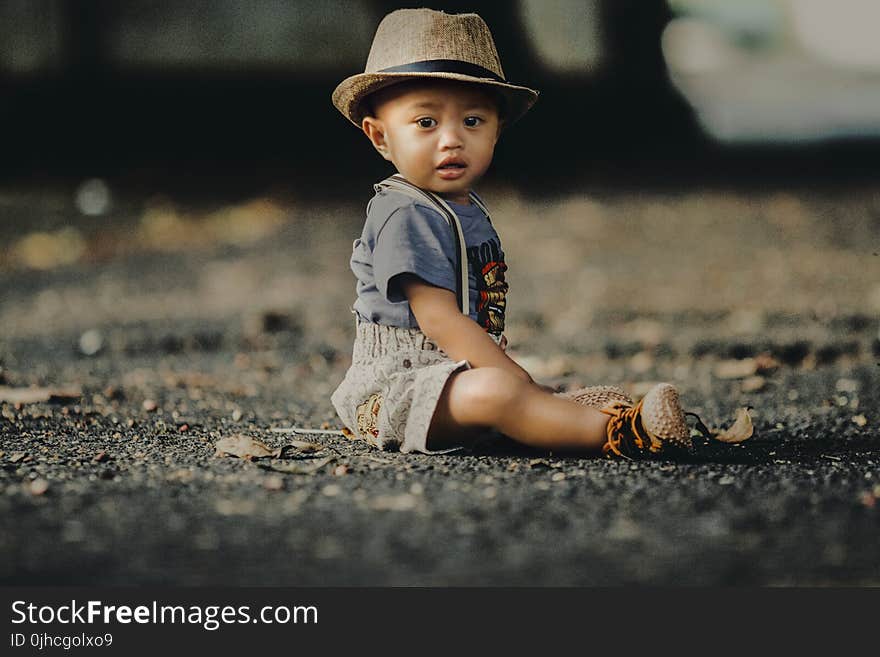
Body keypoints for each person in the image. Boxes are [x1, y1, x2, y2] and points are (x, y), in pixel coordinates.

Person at [330, 8, 691, 458]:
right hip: (395, 393)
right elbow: (438, 318)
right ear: (380, 137)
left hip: (453, 375)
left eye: (473, 121)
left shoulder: (463, 208)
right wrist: (511, 375)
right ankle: (621, 433)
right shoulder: (404, 212)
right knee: (497, 393)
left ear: (496, 131)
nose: (451, 139)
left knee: (504, 390)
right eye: (426, 122)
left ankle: (570, 413)